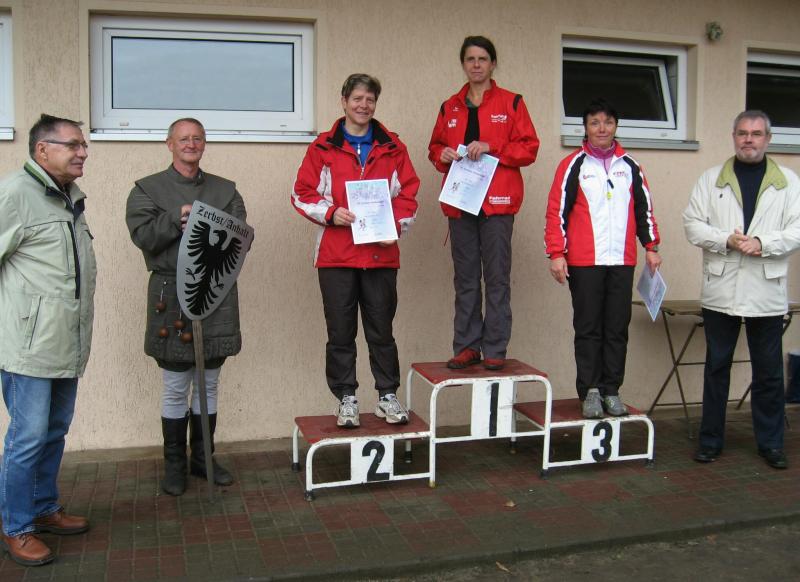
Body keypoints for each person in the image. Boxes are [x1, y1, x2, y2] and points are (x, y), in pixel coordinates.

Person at [126, 118, 247, 495]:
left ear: (204, 143)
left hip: (216, 292)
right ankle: (175, 464)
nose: (191, 144)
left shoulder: (226, 190)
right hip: (170, 295)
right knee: (177, 384)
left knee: (208, 382)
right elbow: (143, 237)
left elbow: (239, 238)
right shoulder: (146, 190)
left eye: (197, 138)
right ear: (169, 144)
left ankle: (203, 459)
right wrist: (175, 217)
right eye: (183, 139)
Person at [292, 74, 419, 428]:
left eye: (370, 100)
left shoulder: (393, 146)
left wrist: (392, 228)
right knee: (340, 333)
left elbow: (409, 194)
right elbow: (301, 193)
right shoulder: (322, 147)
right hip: (336, 256)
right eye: (357, 98)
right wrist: (332, 213)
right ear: (344, 101)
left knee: (382, 331)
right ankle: (346, 398)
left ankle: (386, 396)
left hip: (380, 256)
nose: (363, 105)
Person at [0, 114, 96, 566]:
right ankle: (16, 526)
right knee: (27, 438)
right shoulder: (16, 194)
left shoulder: (68, 198)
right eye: (73, 144)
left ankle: (42, 507)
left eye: (84, 144)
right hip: (28, 347)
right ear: (42, 150)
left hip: (65, 343)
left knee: (53, 431)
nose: (83, 152)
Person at [683, 110, 800, 470]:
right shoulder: (710, 179)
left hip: (766, 292)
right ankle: (710, 441)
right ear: (734, 136)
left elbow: (797, 231)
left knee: (768, 373)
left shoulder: (789, 182)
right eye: (743, 133)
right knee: (717, 368)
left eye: (756, 133)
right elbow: (692, 225)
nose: (749, 139)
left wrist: (763, 242)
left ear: (768, 139)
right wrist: (726, 239)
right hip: (721, 291)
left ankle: (771, 444)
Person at [428, 35, 539, 372]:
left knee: (497, 277)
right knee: (465, 279)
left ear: (493, 64)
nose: (476, 65)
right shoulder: (449, 106)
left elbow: (529, 148)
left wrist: (493, 147)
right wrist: (442, 155)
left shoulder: (512, 102)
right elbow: (434, 148)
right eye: (470, 59)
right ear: (463, 64)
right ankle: (466, 346)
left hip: (497, 203)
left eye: (482, 59)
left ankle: (494, 347)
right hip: (461, 202)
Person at [545, 99, 661, 419]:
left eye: (608, 122)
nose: (602, 128)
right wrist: (557, 253)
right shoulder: (573, 165)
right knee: (588, 328)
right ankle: (591, 391)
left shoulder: (630, 166)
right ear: (585, 127)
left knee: (616, 328)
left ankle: (612, 390)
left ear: (616, 126)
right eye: (595, 122)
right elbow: (556, 212)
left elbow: (644, 210)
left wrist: (651, 246)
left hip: (622, 260)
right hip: (585, 261)